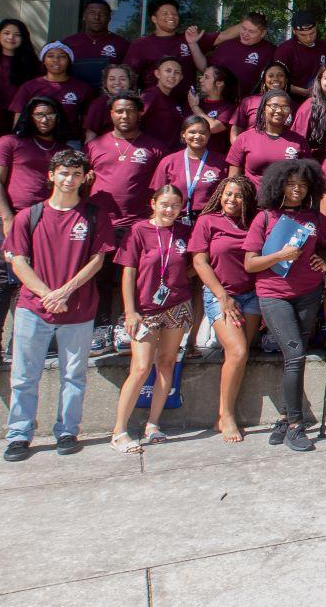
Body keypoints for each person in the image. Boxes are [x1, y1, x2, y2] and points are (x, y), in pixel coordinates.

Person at [1, 148, 110, 461]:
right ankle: (19, 435)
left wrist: (65, 291)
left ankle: (67, 431)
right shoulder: (29, 216)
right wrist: (47, 294)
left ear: (84, 178)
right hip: (33, 310)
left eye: (76, 174)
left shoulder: (93, 215)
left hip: (78, 309)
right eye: (63, 172)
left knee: (74, 375)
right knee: (24, 376)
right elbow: (18, 261)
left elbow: (97, 260)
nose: (69, 179)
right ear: (51, 175)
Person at [0, 97, 80, 381]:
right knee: (2, 280)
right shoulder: (9, 143)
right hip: (13, 217)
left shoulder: (64, 150)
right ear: (29, 116)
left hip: (50, 221)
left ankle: (23, 341)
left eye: (51, 114)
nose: (45, 119)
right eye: (39, 114)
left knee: (42, 279)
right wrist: (7, 217)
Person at [242, 158, 326, 453]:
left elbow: (323, 251)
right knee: (294, 354)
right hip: (273, 294)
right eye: (291, 184)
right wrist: (279, 256)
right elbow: (250, 263)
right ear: (279, 185)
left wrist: (323, 260)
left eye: (302, 185)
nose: (296, 189)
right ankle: (296, 425)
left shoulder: (316, 218)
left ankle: (283, 417)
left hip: (308, 293)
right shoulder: (265, 217)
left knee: (296, 354)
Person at [109, 183, 194, 453]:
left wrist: (175, 281)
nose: (169, 210)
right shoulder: (138, 231)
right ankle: (119, 431)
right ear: (153, 203)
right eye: (165, 204)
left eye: (175, 206)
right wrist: (130, 310)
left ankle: (153, 424)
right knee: (141, 367)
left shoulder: (183, 232)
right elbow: (128, 273)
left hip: (177, 305)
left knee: (167, 363)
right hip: (145, 310)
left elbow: (192, 265)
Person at [85, 92, 167, 353]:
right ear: (111, 114)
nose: (124, 116)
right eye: (119, 111)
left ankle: (125, 324)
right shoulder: (95, 145)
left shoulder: (154, 147)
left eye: (130, 111)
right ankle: (101, 327)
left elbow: (161, 188)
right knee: (101, 276)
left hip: (137, 224)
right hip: (101, 222)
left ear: (139, 113)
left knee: (131, 276)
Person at [189, 174, 259, 442]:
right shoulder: (208, 221)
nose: (232, 199)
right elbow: (199, 263)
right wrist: (222, 296)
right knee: (238, 351)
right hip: (221, 295)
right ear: (220, 195)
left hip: (251, 296)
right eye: (228, 194)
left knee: (241, 353)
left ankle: (227, 410)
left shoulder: (254, 222)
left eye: (238, 195)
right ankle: (225, 415)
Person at [226, 89, 309, 188]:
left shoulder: (299, 141)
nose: (279, 110)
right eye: (274, 106)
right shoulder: (244, 138)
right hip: (252, 201)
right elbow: (233, 180)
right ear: (264, 108)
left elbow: (306, 178)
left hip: (286, 202)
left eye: (285, 107)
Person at [151, 115, 221, 218]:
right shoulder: (168, 162)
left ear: (209, 135)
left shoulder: (221, 162)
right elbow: (158, 196)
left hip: (208, 220)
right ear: (183, 134)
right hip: (174, 220)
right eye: (192, 132)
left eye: (202, 132)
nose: (197, 136)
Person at [0, 18, 41, 124]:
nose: (11, 37)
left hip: (19, 116)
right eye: (6, 33)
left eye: (17, 34)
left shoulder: (33, 64)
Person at [203, 11, 277, 95]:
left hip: (250, 102)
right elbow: (207, 68)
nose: (245, 34)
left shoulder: (270, 51)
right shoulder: (226, 45)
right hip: (221, 101)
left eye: (251, 31)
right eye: (243, 28)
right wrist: (193, 44)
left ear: (263, 33)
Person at [61, 0, 129, 82]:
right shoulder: (68, 43)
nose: (97, 17)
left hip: (108, 94)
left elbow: (128, 76)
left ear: (109, 18)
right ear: (84, 16)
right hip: (75, 93)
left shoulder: (122, 45)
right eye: (92, 13)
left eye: (102, 14)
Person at [273, 10, 326, 97]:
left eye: (312, 33)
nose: (308, 38)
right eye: (303, 35)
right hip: (291, 99)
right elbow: (276, 80)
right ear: (294, 31)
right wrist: (303, 92)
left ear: (316, 27)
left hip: (318, 98)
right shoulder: (285, 50)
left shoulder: (322, 46)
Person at [190, 63, 239, 158]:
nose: (201, 80)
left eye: (206, 77)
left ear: (219, 83)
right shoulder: (196, 101)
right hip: (188, 158)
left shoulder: (229, 107)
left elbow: (213, 127)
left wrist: (194, 107)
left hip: (213, 161)